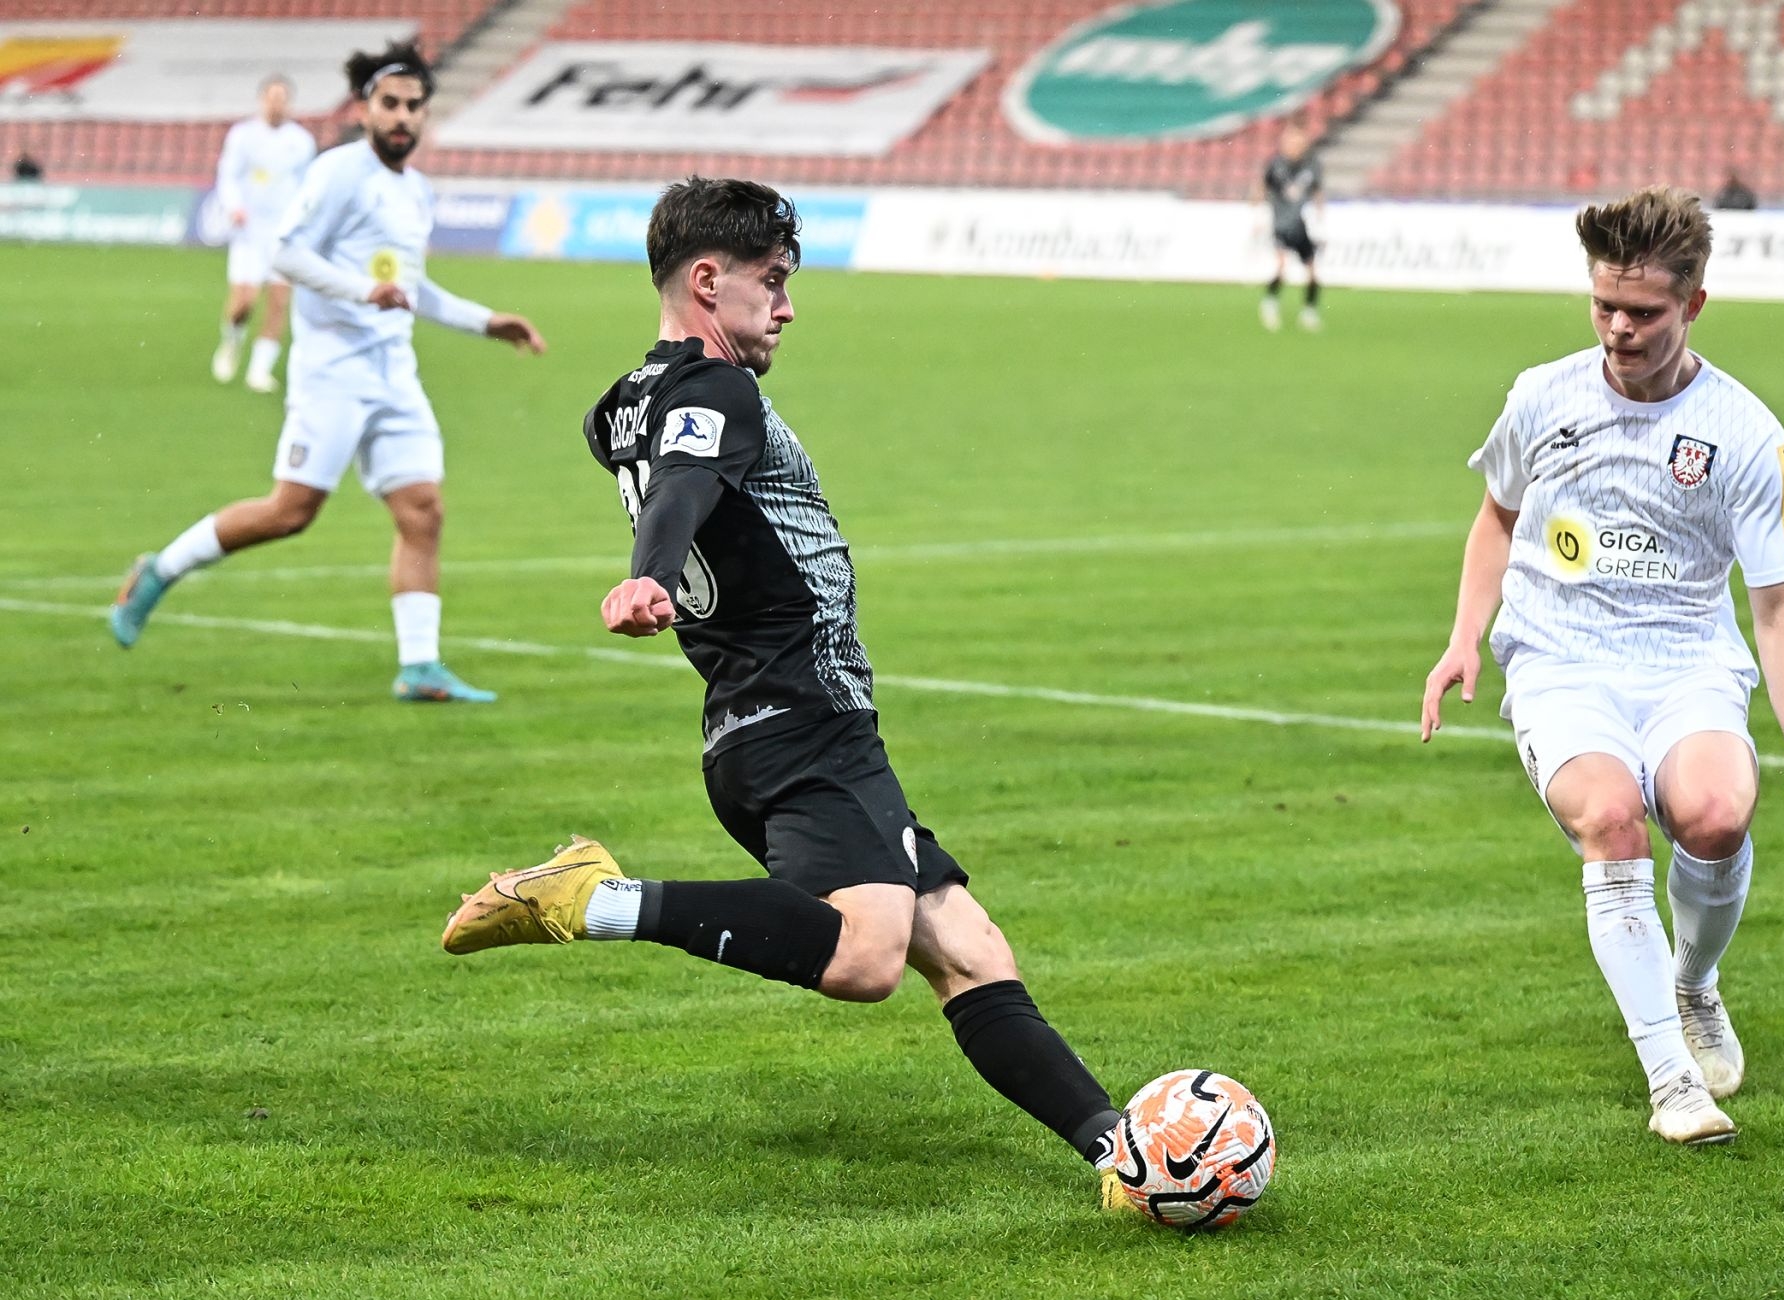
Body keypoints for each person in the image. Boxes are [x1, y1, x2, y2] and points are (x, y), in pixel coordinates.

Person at [441, 177, 1129, 1208]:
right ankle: (594, 896)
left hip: (763, 722)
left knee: (968, 947)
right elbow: (686, 484)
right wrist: (649, 573)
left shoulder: (617, 407)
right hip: (801, 713)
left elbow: (677, 470)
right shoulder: (717, 393)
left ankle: (1123, 1154)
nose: (788, 306)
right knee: (865, 957)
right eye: (772, 281)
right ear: (705, 281)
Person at [1419, 186, 1784, 1146]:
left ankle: (1692, 985)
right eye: (1604, 304)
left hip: (1687, 659)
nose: (1619, 328)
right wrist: (1463, 636)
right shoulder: (1543, 396)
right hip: (1561, 657)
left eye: (1644, 312)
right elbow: (1497, 515)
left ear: (1694, 303)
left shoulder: (1745, 431)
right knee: (1613, 819)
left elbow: (1778, 606)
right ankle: (1672, 1080)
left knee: (1716, 813)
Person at [109, 42, 546, 703]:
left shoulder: (415, 191)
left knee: (423, 510)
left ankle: (419, 666)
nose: (402, 116)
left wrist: (487, 322)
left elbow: (411, 288)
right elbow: (285, 254)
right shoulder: (339, 172)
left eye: (413, 106)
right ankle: (159, 571)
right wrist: (361, 290)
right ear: (365, 109)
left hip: (394, 374)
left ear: (426, 116)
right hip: (332, 373)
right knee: (290, 513)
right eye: (390, 103)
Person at [212, 75, 316, 392]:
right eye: (271, 97)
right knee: (244, 301)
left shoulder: (301, 141)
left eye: (282, 98)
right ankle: (232, 340)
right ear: (262, 100)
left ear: (289, 103)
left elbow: (307, 187)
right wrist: (234, 207)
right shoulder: (243, 136)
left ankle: (259, 370)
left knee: (278, 301)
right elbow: (228, 176)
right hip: (249, 230)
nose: (276, 104)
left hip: (283, 234)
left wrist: (303, 221)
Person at [1255, 125, 1325, 332]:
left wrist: (1321, 214)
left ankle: (1309, 312)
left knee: (1312, 271)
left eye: (1299, 143)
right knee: (1281, 266)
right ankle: (1270, 303)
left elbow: (1317, 190)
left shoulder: (1311, 166)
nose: (1295, 146)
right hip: (1281, 224)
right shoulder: (1276, 165)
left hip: (1299, 224)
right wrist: (1257, 214)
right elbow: (1262, 187)